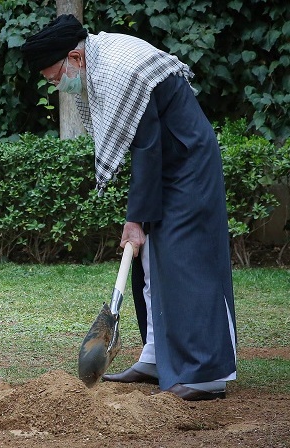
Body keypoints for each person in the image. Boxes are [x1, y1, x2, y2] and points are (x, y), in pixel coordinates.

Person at [21, 15, 237, 401]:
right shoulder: (99, 61)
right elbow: (145, 145)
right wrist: (139, 221)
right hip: (167, 161)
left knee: (187, 259)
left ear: (75, 57)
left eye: (56, 77)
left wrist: (135, 219)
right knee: (152, 259)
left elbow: (147, 145)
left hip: (188, 160)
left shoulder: (119, 70)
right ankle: (156, 355)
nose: (57, 85)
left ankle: (206, 373)